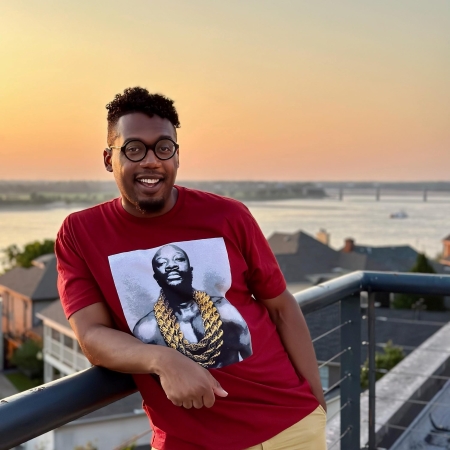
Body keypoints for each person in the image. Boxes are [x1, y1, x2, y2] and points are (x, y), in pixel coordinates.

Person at [56, 86, 327, 450]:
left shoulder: (229, 216)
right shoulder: (81, 233)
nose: (151, 161)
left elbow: (282, 307)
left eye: (163, 148)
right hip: (189, 440)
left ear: (177, 157)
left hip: (290, 426)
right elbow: (91, 336)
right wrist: (163, 360)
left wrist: (315, 402)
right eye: (134, 149)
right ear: (109, 159)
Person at [133, 243, 252, 368]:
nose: (171, 265)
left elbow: (250, 360)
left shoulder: (225, 311)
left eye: (178, 259)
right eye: (162, 263)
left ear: (191, 270)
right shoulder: (147, 329)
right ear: (156, 278)